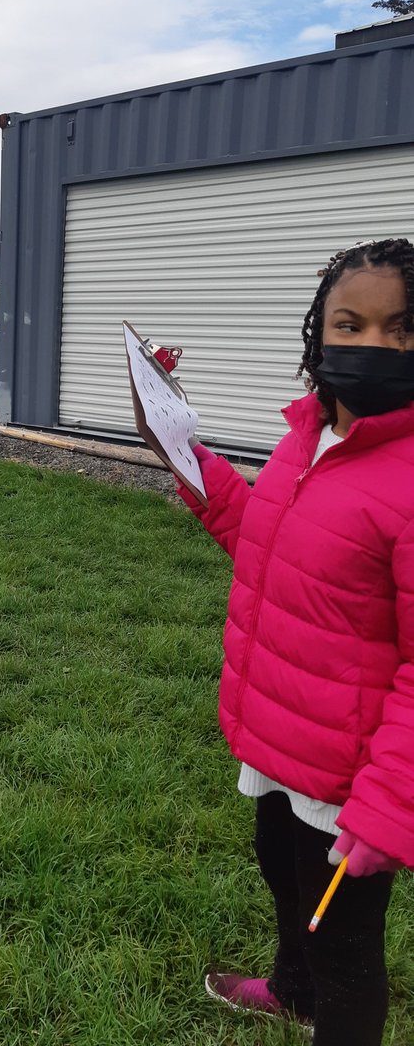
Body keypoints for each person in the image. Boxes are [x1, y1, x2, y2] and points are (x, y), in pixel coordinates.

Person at [176, 238, 414, 1045]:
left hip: (353, 775)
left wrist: (391, 803)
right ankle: (290, 990)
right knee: (282, 871)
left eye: (401, 329)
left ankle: (322, 1002)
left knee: (346, 951)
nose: (373, 345)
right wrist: (190, 463)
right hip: (280, 736)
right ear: (319, 332)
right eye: (351, 324)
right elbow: (269, 544)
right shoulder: (306, 436)